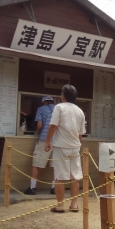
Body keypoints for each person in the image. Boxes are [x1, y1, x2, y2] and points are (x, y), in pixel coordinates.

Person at [44, 85, 86, 213]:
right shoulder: (80, 111)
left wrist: (47, 141)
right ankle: (74, 205)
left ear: (63, 96)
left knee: (60, 177)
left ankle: (60, 205)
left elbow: (52, 126)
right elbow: (81, 134)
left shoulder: (59, 107)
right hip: (75, 147)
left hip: (61, 146)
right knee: (74, 176)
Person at [24, 96, 56, 196]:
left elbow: (39, 126)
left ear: (44, 102)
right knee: (55, 165)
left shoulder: (41, 109)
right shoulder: (58, 109)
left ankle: (32, 188)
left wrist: (38, 132)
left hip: (44, 140)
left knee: (36, 163)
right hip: (58, 141)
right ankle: (54, 188)